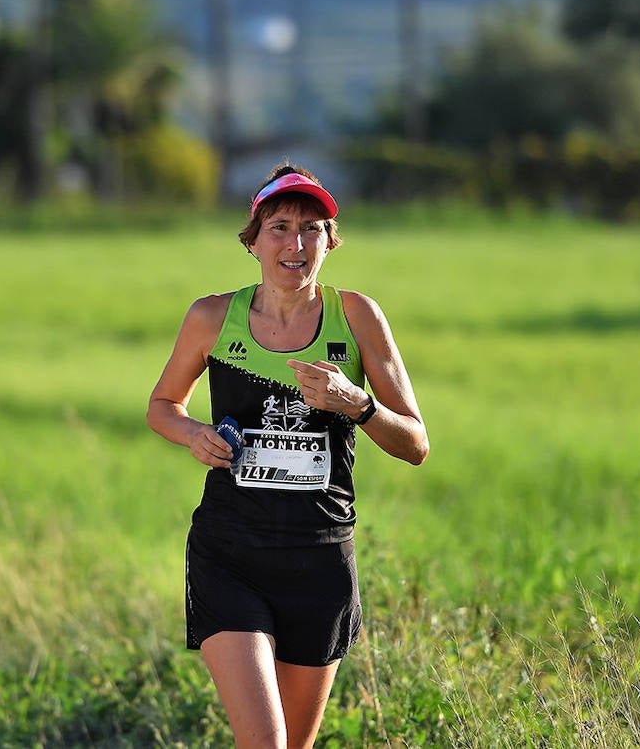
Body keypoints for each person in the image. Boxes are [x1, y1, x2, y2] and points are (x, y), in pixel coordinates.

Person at [147, 164, 429, 748]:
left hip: (320, 560)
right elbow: (162, 405)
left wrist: (358, 405)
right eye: (278, 227)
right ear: (253, 240)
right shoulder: (212, 317)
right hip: (230, 554)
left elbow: (416, 444)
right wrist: (193, 433)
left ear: (330, 242)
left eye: (311, 228)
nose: (294, 244)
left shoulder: (357, 318)